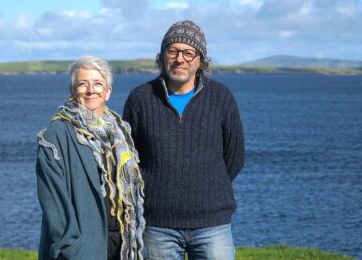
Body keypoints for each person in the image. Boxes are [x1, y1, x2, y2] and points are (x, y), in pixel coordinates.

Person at [123, 20, 245, 260]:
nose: (180, 59)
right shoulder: (140, 98)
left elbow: (234, 156)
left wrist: (208, 186)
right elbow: (128, 158)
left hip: (212, 225)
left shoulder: (222, 97)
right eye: (173, 51)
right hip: (157, 225)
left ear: (201, 60)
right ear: (163, 56)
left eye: (189, 52)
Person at [36, 56, 145, 260]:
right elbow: (53, 200)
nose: (90, 90)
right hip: (83, 248)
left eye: (98, 84)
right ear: (73, 91)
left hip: (122, 244)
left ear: (108, 92)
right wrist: (71, 247)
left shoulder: (121, 132)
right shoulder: (57, 134)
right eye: (82, 84)